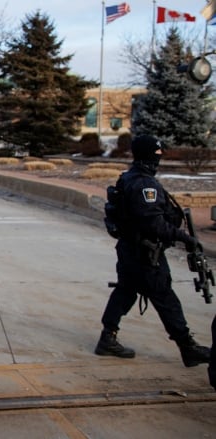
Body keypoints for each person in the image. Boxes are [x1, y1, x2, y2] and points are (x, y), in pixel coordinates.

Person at [96, 135, 211, 367]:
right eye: (157, 154)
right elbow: (152, 223)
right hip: (145, 253)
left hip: (131, 250)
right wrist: (183, 237)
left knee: (125, 291)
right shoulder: (144, 184)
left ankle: (107, 337)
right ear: (149, 156)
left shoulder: (131, 178)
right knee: (164, 297)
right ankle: (187, 347)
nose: (159, 159)